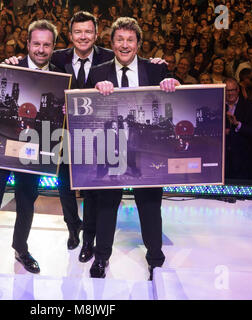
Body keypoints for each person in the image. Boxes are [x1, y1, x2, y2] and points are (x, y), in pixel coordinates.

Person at [0, 19, 62, 297]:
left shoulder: (60, 76)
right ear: (27, 44)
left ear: (53, 47)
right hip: (0, 153)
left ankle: (20, 249)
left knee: (26, 203)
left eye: (47, 44)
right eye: (36, 43)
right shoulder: (10, 67)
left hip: (32, 154)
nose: (41, 49)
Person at [86, 17, 180, 280]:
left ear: (138, 44)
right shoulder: (97, 72)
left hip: (145, 150)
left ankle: (155, 261)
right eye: (119, 40)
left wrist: (172, 84)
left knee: (150, 206)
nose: (124, 45)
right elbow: (84, 111)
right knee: (107, 205)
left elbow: (176, 99)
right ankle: (101, 257)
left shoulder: (157, 70)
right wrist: (95, 92)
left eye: (130, 40)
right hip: (110, 149)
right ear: (112, 43)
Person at [49, 11, 114, 255]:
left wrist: (158, 65)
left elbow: (135, 64)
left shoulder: (110, 57)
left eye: (88, 31)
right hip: (64, 133)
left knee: (92, 189)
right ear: (70, 35)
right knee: (64, 184)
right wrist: (13, 60)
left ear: (97, 34)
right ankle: (72, 227)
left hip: (97, 137)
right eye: (78, 31)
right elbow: (34, 64)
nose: (83, 36)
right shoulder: (56, 58)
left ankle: (89, 238)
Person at [224, 77, 252, 181]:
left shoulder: (249, 106)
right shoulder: (217, 106)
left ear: (238, 90)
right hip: (223, 160)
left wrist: (237, 124)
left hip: (242, 160)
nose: (229, 93)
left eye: (232, 90)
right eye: (226, 90)